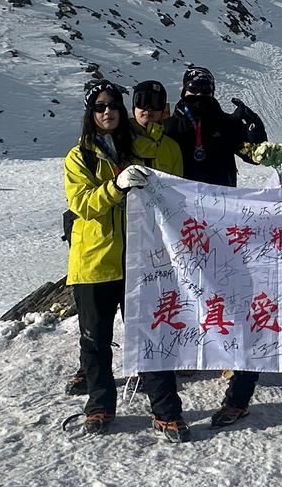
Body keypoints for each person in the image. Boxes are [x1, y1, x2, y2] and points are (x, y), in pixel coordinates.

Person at [64, 80, 190, 441]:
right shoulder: (80, 156)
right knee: (95, 340)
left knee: (151, 335)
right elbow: (83, 204)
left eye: (113, 106)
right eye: (100, 107)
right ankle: (100, 406)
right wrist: (116, 186)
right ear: (91, 114)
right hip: (95, 261)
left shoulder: (135, 150)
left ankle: (166, 410)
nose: (108, 113)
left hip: (138, 260)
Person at [165, 65, 282, 428]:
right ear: (184, 89)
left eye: (206, 87)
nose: (199, 94)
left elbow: (256, 155)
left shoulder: (223, 121)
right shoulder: (170, 127)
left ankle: (239, 390)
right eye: (193, 88)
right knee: (183, 295)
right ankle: (178, 360)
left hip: (223, 224)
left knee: (232, 298)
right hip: (181, 225)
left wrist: (256, 129)